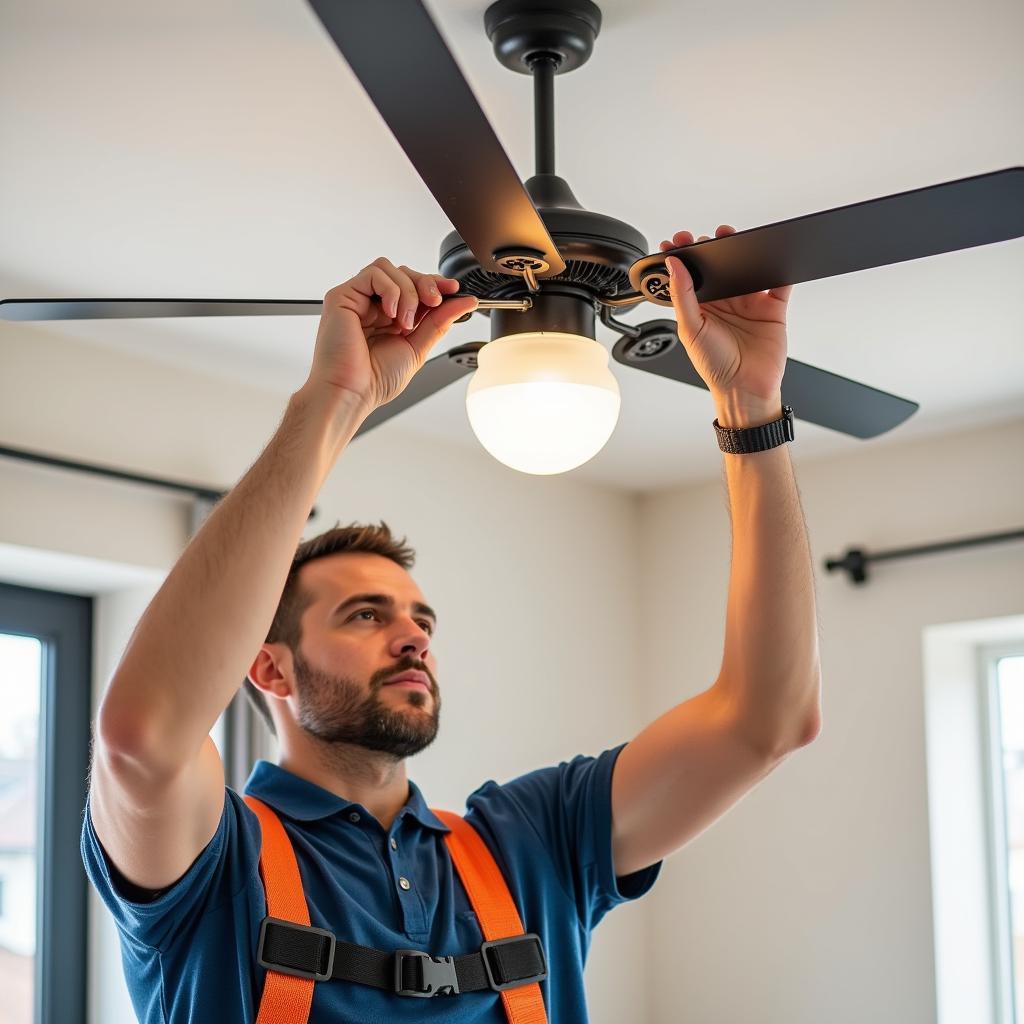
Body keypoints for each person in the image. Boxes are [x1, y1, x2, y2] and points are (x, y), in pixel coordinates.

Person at [82, 237, 822, 1023]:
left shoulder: (535, 843)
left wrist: (750, 410)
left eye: (420, 619)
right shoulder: (216, 861)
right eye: (365, 614)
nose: (413, 639)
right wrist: (332, 400)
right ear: (269, 669)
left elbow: (766, 720)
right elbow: (142, 738)